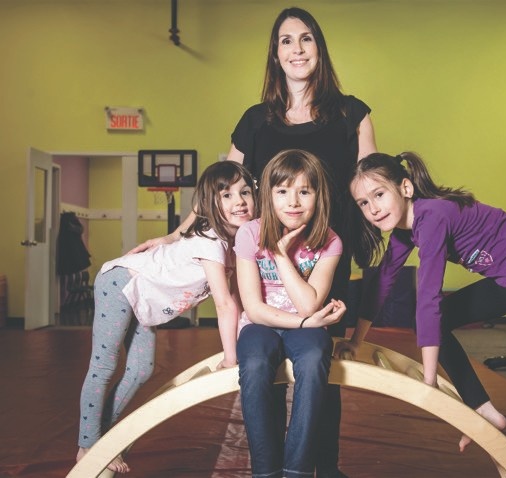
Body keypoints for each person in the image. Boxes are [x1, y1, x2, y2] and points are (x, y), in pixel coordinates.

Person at [130, 7, 377, 476]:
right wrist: (176, 233)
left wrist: (408, 222)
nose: (297, 49)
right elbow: (222, 187)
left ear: (319, 48)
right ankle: (273, 465)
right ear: (275, 53)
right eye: (286, 40)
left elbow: (370, 182)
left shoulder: (351, 113)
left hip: (324, 253)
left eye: (306, 39)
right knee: (265, 361)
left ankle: (322, 468)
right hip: (265, 257)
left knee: (319, 365)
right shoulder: (256, 120)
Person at [337, 152, 506, 478]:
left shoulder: (432, 216)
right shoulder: (404, 231)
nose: (373, 209)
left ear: (406, 188)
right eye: (363, 203)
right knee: (434, 320)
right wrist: (356, 341)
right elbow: (381, 285)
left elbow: (429, 296)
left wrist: (428, 382)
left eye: (379, 195)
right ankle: (483, 408)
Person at [76, 161, 256, 474]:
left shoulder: (237, 242)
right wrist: (231, 359)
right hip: (121, 284)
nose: (239, 201)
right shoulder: (211, 241)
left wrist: (244, 342)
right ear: (209, 204)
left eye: (245, 192)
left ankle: (104, 436)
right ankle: (87, 445)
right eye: (226, 195)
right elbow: (225, 304)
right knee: (104, 365)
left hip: (145, 297)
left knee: (141, 370)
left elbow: (238, 298)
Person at [234, 149, 347, 478]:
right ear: (268, 196)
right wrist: (304, 322)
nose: (293, 202)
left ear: (318, 196)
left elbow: (309, 304)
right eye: (282, 191)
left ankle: (297, 471)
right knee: (255, 364)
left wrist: (281, 254)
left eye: (304, 191)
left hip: (308, 327)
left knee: (313, 359)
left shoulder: (330, 241)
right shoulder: (250, 233)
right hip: (262, 324)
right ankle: (266, 472)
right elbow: (254, 308)